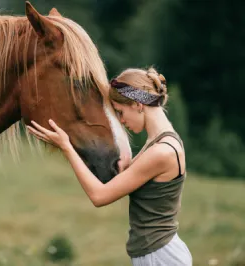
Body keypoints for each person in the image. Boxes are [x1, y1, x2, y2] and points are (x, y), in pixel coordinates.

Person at [27, 67, 192, 266]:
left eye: (121, 112)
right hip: (156, 252)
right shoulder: (162, 142)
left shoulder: (160, 152)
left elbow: (99, 196)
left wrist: (67, 147)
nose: (122, 121)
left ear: (138, 105)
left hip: (159, 256)